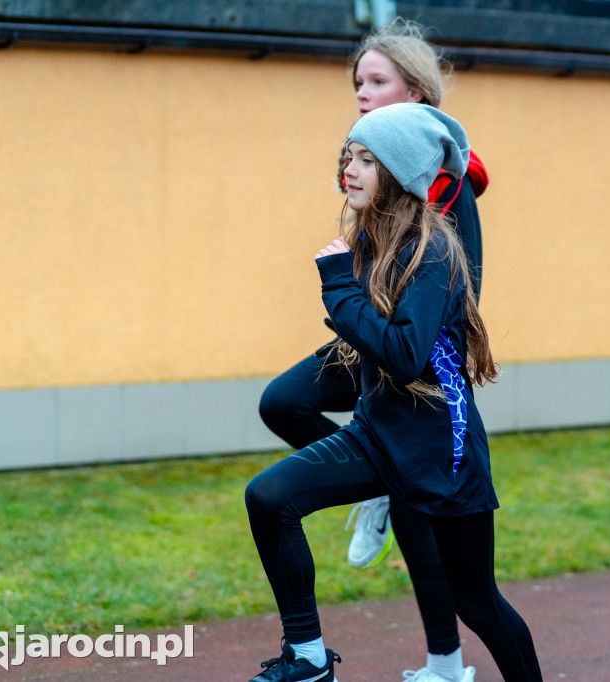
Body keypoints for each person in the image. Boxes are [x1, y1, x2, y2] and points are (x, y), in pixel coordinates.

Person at [244, 103, 542, 682]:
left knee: (477, 603)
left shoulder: (432, 251)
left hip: (441, 456)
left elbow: (405, 355)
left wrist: (339, 291)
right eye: (347, 157)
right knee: (269, 497)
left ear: (400, 173)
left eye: (366, 160)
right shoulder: (374, 244)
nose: (348, 170)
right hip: (379, 437)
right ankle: (306, 659)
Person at [256, 19, 488, 682]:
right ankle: (377, 486)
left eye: (377, 81)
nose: (361, 92)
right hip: (367, 342)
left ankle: (445, 664)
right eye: (358, 81)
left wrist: (387, 323)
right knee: (284, 402)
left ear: (414, 91)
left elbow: (460, 282)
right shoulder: (370, 160)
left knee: (422, 517)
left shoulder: (445, 176)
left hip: (414, 364)